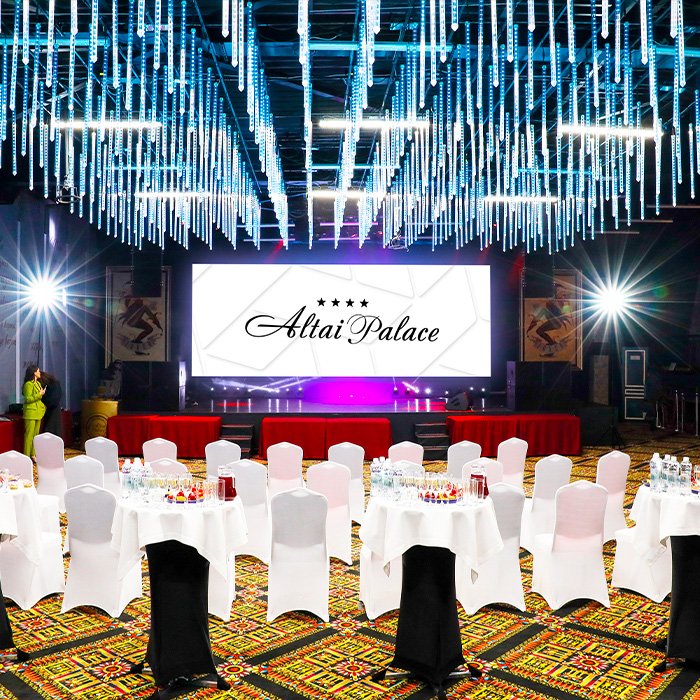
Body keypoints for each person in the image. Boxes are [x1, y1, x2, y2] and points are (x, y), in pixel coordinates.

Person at [22, 364, 46, 458]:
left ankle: (33, 454)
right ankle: (26, 456)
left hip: (38, 412)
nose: (39, 373)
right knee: (29, 435)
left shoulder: (38, 383)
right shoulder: (28, 384)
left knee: (36, 435)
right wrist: (39, 394)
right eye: (38, 371)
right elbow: (27, 399)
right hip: (31, 412)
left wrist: (41, 394)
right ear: (34, 373)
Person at [41, 371, 63, 438]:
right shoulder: (55, 384)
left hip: (51, 412)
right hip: (55, 411)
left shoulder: (51, 386)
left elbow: (51, 401)